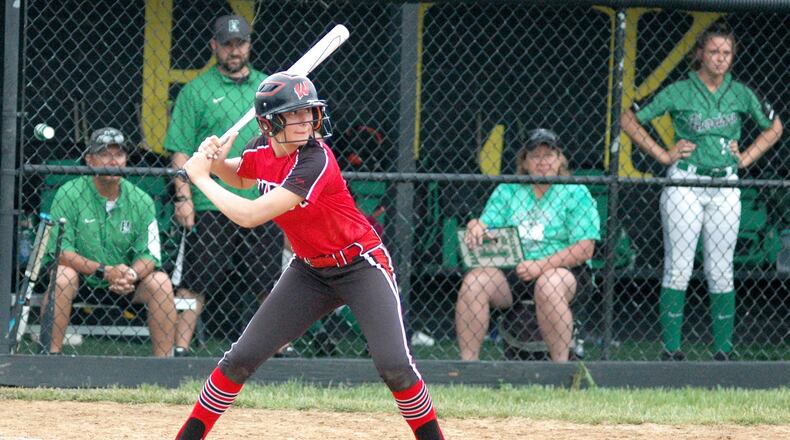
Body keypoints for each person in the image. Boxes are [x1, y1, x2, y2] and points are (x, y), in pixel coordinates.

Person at [173, 72, 444, 440]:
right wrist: (216, 162)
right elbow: (241, 175)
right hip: (310, 272)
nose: (306, 121)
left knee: (395, 366)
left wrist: (202, 179)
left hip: (359, 265)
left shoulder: (315, 160)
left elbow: (250, 216)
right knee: (239, 359)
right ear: (270, 123)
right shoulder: (260, 149)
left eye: (308, 112)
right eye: (295, 114)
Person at [620, 21, 783, 361]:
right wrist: (663, 154)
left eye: (726, 53)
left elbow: (775, 127)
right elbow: (628, 119)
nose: (721, 59)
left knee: (720, 268)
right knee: (678, 265)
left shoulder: (740, 92)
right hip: (685, 183)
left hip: (725, 183)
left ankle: (722, 351)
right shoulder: (680, 89)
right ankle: (671, 349)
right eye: (713, 51)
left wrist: (746, 158)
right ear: (699, 54)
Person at [164, 14, 284, 355]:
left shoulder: (269, 87)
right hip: (210, 201)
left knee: (270, 282)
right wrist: (183, 197)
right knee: (195, 282)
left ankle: (280, 349)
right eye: (228, 44)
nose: (235, 51)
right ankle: (181, 349)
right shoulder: (197, 90)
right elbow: (180, 151)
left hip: (262, 199)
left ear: (249, 45)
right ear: (214, 46)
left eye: (240, 43)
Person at [456, 128, 600, 362]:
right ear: (524, 161)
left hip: (564, 272)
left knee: (548, 283)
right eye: (535, 156)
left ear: (560, 159)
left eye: (549, 155)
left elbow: (584, 248)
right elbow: (487, 224)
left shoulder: (576, 192)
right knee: (474, 282)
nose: (542, 162)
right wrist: (476, 225)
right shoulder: (508, 191)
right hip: (514, 269)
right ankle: (467, 367)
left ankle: (560, 368)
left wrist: (540, 265)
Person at [40, 127, 177, 356]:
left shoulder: (142, 200)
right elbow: (60, 251)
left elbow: (150, 254)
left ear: (126, 160)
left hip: (125, 283)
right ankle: (50, 358)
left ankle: (163, 367)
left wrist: (130, 275)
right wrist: (105, 271)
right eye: (104, 154)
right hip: (82, 279)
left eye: (119, 154)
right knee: (63, 276)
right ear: (90, 160)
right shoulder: (68, 193)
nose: (113, 161)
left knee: (161, 282)